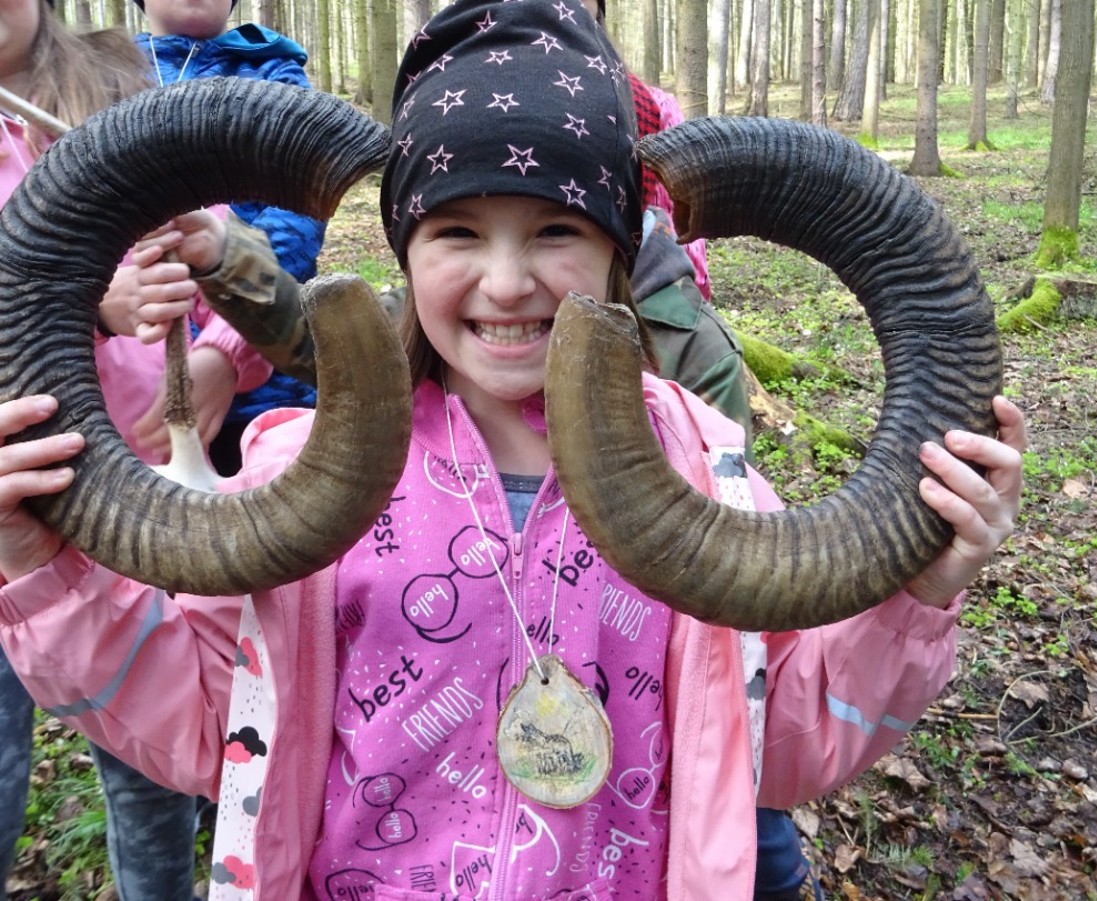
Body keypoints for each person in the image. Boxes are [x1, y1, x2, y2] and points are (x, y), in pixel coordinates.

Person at [0, 1, 1025, 897]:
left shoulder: (707, 471)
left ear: (619, 252)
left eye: (555, 231)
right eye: (456, 232)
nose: (505, 282)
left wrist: (915, 589)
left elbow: (786, 743)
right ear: (405, 251)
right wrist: (37, 564)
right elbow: (203, 726)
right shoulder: (289, 473)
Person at [0, 4, 272, 899]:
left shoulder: (120, 87)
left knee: (154, 771)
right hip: (9, 513)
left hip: (137, 507)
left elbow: (231, 259)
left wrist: (218, 358)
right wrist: (84, 298)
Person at [130, 0, 327, 475]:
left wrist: (230, 347)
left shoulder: (274, 74)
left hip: (272, 379)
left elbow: (299, 209)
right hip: (136, 383)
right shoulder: (102, 77)